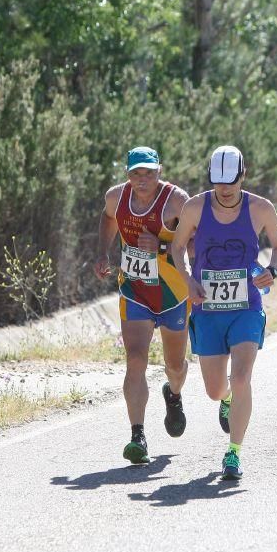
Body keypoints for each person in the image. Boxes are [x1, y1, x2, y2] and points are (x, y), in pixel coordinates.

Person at [171, 145, 277, 480]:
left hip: (246, 306)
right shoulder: (195, 207)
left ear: (243, 176)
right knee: (214, 389)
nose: (224, 189)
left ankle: (233, 454)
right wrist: (188, 279)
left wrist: (273, 270)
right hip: (207, 307)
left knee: (241, 378)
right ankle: (226, 400)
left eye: (231, 183)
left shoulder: (260, 208)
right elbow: (177, 248)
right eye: (218, 182)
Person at [94, 147, 191, 465]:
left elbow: (196, 238)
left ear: (160, 171)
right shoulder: (115, 198)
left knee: (175, 366)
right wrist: (103, 252)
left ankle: (173, 394)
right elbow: (108, 220)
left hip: (173, 294)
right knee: (135, 360)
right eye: (136, 173)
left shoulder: (176, 201)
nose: (143, 179)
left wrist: (162, 244)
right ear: (127, 174)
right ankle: (138, 435)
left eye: (149, 172)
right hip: (135, 291)